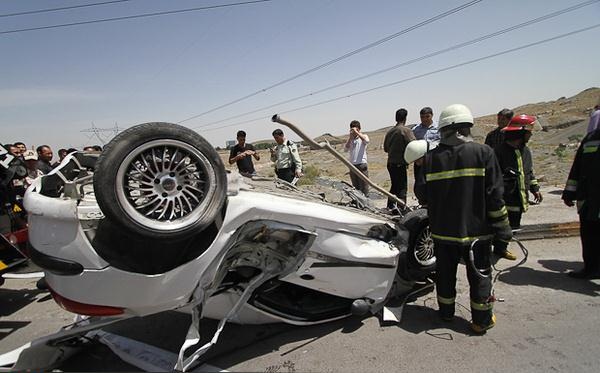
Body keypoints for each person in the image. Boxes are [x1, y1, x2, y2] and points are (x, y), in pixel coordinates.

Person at [419, 104, 512, 334]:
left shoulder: (430, 159)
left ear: (445, 129)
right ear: (466, 127)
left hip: (441, 232)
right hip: (477, 233)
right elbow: (495, 196)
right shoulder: (484, 153)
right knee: (480, 276)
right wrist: (503, 229)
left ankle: (446, 313)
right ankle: (481, 320)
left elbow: (422, 195)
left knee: (445, 274)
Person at [492, 115, 543, 260]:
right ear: (521, 132)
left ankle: (502, 247)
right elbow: (491, 176)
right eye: (529, 132)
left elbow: (529, 172)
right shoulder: (498, 152)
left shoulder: (525, 151)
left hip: (519, 198)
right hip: (504, 199)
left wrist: (535, 188)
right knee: (502, 227)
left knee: (514, 226)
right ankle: (499, 248)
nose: (530, 135)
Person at [562, 128, 600, 279]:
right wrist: (569, 193)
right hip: (589, 200)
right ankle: (591, 269)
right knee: (590, 235)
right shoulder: (591, 138)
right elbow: (577, 167)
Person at [384, 109, 416, 211]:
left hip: (390, 163)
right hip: (399, 164)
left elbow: (385, 148)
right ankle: (402, 209)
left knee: (394, 186)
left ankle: (391, 207)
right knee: (402, 188)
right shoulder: (405, 131)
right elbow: (414, 146)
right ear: (405, 118)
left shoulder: (390, 131)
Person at [344, 120, 370, 196]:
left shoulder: (363, 136)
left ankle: (366, 203)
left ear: (359, 129)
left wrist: (357, 133)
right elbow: (345, 149)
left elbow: (366, 141)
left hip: (362, 164)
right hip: (353, 166)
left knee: (364, 187)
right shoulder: (351, 140)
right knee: (356, 187)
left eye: (355, 129)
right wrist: (350, 138)